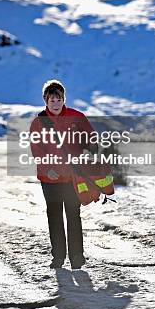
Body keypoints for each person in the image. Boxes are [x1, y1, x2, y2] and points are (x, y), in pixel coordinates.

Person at [29, 79, 96, 269]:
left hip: (73, 177)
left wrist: (88, 152)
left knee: (74, 215)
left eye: (59, 100)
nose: (56, 104)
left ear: (64, 99)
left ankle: (77, 257)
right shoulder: (39, 122)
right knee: (54, 216)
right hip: (49, 179)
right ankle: (58, 257)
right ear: (45, 100)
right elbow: (37, 148)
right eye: (52, 101)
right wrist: (46, 168)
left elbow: (91, 139)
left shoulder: (77, 117)